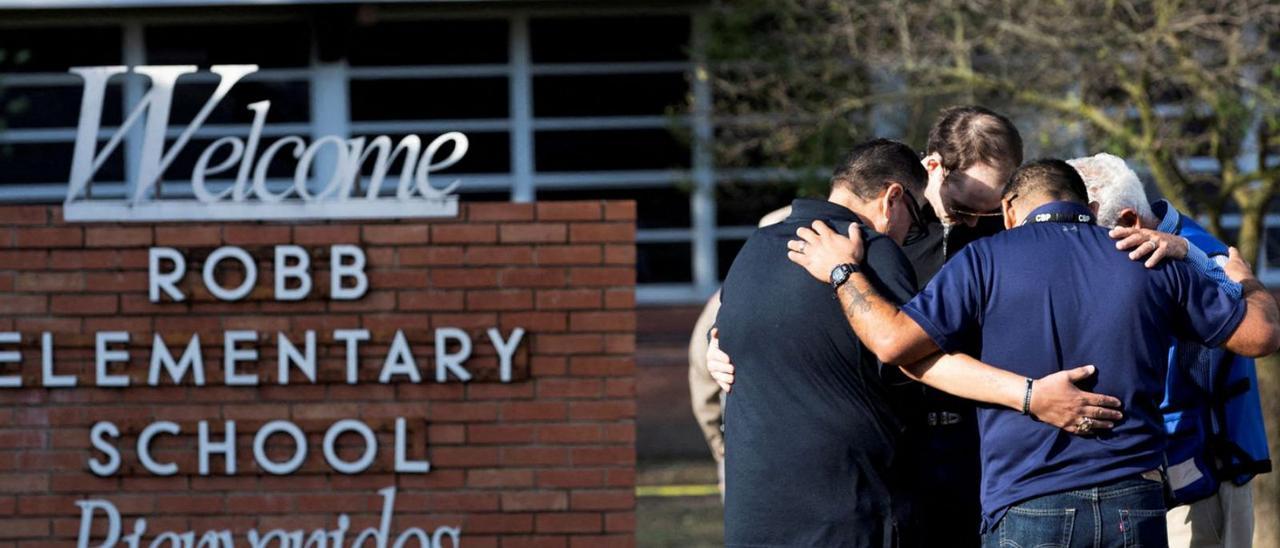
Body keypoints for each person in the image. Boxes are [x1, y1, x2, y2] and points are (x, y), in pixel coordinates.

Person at [784, 158, 1280, 547]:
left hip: (1027, 500)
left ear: (1010, 209)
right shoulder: (1147, 253)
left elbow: (892, 342)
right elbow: (1260, 336)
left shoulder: (984, 259)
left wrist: (842, 272)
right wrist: (1246, 281)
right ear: (1085, 206)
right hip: (1136, 497)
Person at [717, 141, 1123, 547]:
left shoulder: (755, 248)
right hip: (849, 510)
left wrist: (712, 345)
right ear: (893, 197)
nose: (910, 234)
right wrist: (1032, 395)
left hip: (756, 513)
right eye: (914, 217)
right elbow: (912, 355)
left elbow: (736, 333)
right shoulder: (873, 254)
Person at [1069, 153, 1271, 548]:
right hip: (1151, 477)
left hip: (1200, 482)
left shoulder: (1201, 256)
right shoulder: (1142, 253)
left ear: (1128, 222)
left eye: (1092, 238)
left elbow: (1258, 324)